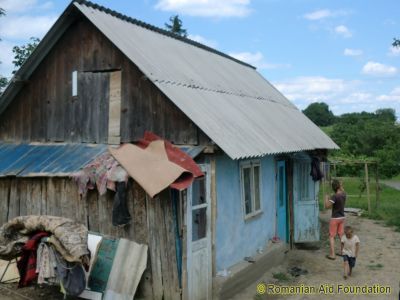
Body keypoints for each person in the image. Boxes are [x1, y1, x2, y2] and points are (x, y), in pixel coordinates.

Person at [324, 179, 346, 260]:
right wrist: (339, 185)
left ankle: (332, 255)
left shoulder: (335, 196)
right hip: (342, 217)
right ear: (340, 187)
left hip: (335, 218)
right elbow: (342, 190)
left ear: (333, 187)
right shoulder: (344, 194)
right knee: (341, 235)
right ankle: (343, 252)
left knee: (331, 236)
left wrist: (326, 198)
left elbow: (327, 206)